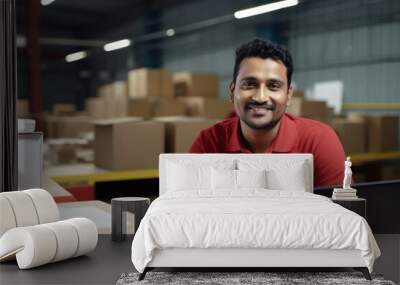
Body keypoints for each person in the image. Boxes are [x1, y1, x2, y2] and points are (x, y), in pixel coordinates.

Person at [190, 38, 346, 187]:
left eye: (273, 86)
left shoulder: (318, 141)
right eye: (250, 84)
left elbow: (341, 211)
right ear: (232, 91)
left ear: (289, 95)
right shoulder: (210, 143)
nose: (260, 97)